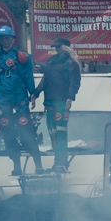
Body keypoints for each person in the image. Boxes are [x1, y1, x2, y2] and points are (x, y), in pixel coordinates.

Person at [0, 25, 43, 175]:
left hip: (20, 100)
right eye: (2, 38)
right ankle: (16, 165)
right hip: (3, 101)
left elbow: (29, 76)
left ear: (12, 39)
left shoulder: (22, 57)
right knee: (8, 135)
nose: (5, 40)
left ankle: (38, 164)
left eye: (7, 38)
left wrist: (33, 93)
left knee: (27, 134)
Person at [31, 38, 81, 172]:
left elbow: (74, 82)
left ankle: (61, 162)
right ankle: (57, 162)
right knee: (53, 134)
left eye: (59, 47)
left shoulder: (70, 63)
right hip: (50, 104)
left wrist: (70, 98)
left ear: (65, 48)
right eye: (56, 47)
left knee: (60, 133)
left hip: (62, 103)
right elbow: (45, 80)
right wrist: (36, 94)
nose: (57, 49)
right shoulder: (51, 62)